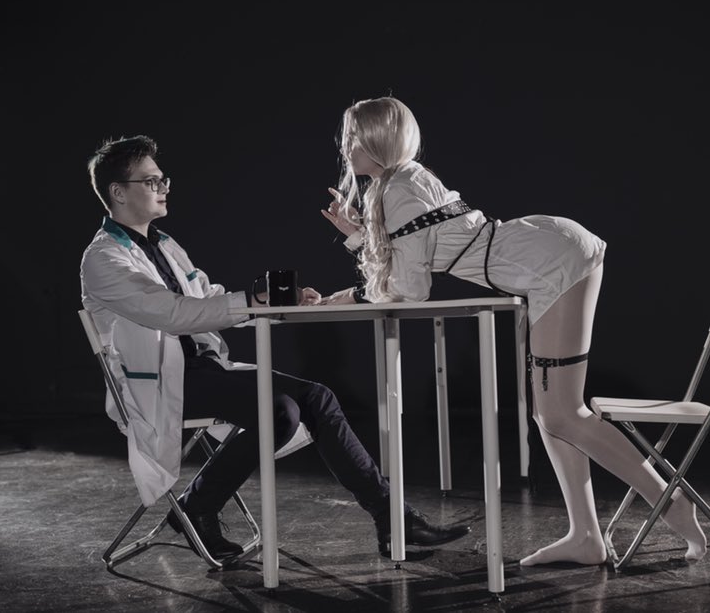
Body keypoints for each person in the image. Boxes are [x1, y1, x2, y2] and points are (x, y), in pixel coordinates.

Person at [318, 97, 707, 566]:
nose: (345, 146)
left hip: (552, 263)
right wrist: (359, 237)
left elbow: (409, 289)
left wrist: (354, 287)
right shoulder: (401, 182)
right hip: (546, 260)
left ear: (378, 139)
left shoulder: (398, 188)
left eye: (353, 136)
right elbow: (409, 263)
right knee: (553, 415)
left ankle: (670, 501)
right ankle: (586, 536)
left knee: (563, 414)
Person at [80, 135, 469, 561]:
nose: (163, 188)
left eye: (163, 179)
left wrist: (277, 301)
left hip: (203, 370)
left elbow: (206, 297)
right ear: (118, 192)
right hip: (159, 384)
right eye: (151, 181)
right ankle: (197, 507)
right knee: (277, 411)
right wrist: (252, 301)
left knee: (316, 398)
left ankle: (394, 521)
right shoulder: (103, 259)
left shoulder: (164, 244)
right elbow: (174, 313)